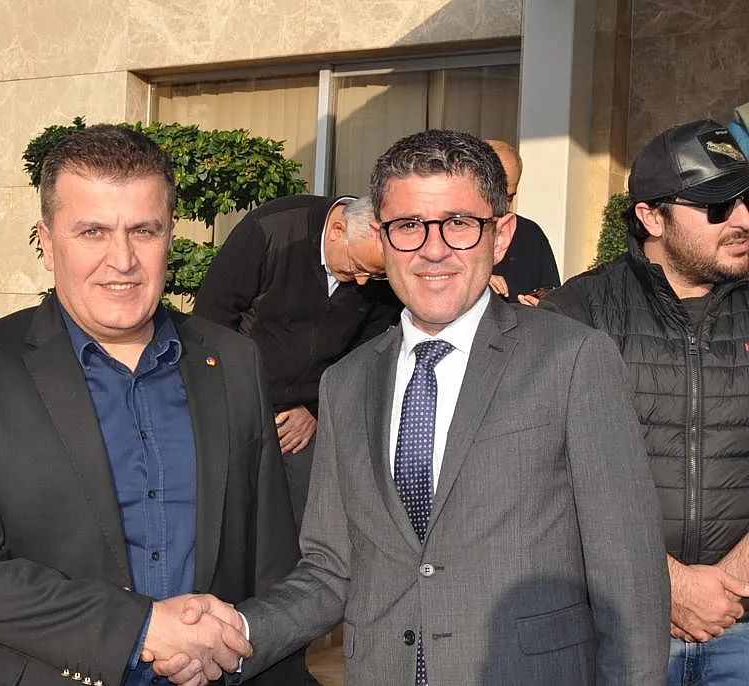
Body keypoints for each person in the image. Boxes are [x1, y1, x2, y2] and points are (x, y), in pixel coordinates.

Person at [156, 130, 671, 685]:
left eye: (459, 223)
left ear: (501, 236)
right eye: (408, 226)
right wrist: (237, 632)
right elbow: (330, 571)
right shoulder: (346, 384)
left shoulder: (574, 359)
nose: (433, 249)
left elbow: (628, 575)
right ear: (382, 237)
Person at [0, 125, 303, 686]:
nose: (122, 260)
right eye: (92, 231)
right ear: (48, 243)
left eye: (144, 230)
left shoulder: (235, 361)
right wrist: (142, 629)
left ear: (169, 235)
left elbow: (272, 565)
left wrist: (242, 652)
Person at [540, 119, 749, 685]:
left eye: (747, 200)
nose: (742, 219)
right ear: (652, 217)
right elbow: (545, 474)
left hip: (741, 624)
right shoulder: (577, 314)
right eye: (717, 206)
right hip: (617, 626)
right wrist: (669, 583)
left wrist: (732, 582)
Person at [194, 194, 401, 529]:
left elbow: (363, 355)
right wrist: (232, 402)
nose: (363, 281)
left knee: (307, 522)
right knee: (224, 516)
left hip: (303, 417)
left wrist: (316, 409)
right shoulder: (272, 230)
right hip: (236, 402)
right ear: (337, 230)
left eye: (375, 274)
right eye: (358, 266)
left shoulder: (383, 272)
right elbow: (211, 322)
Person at [484, 139, 560, 305]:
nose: (500, 207)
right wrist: (475, 283)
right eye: (494, 195)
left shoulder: (529, 234)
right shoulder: (445, 229)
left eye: (508, 198)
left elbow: (552, 296)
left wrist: (540, 307)